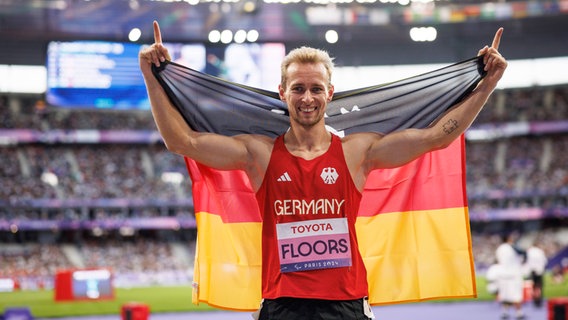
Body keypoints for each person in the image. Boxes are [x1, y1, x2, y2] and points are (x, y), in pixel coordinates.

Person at [139, 21, 507, 320]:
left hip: (346, 306)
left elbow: (434, 138)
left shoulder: (356, 153)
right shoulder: (259, 154)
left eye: (316, 89)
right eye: (298, 88)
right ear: (282, 92)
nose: (307, 98)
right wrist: (152, 77)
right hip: (281, 306)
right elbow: (183, 142)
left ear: (330, 93)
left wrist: (487, 83)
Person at [495, 232, 526, 320]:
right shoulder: (512, 246)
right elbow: (523, 252)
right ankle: (519, 313)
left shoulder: (499, 249)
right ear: (508, 239)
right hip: (514, 274)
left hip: (503, 275)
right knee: (516, 295)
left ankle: (505, 312)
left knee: (505, 295)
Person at [524, 240, 548, 308]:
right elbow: (544, 261)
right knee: (539, 286)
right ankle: (539, 300)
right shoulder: (540, 251)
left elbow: (526, 262)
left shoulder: (529, 251)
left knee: (534, 287)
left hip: (532, 271)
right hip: (539, 271)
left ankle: (535, 300)